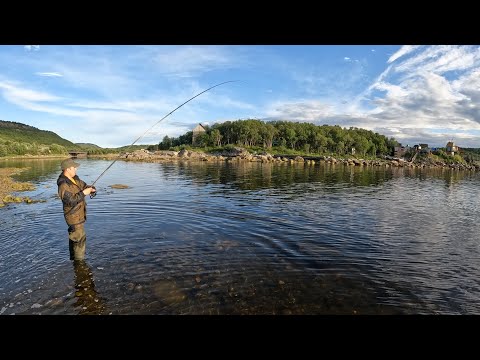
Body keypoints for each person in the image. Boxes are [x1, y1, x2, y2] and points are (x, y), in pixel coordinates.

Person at [57, 158, 96, 261]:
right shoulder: (63, 184)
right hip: (73, 217)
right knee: (79, 239)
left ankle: (73, 260)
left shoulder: (75, 179)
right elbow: (69, 201)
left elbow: (84, 186)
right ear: (68, 169)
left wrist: (91, 189)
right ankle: (80, 265)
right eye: (74, 167)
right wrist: (84, 193)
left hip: (79, 215)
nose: (76, 169)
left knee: (75, 239)